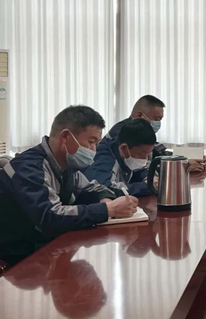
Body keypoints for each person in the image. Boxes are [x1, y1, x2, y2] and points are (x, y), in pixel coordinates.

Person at [0, 105, 138, 265]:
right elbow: (50, 217)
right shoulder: (29, 167)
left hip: (47, 249)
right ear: (65, 137)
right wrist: (107, 210)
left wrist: (105, 199)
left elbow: (94, 188)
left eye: (97, 143)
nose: (94, 150)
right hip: (17, 261)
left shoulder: (67, 166)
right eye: (91, 142)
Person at [85, 95, 206, 187]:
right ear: (140, 115)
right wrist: (180, 166)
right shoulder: (123, 133)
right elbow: (139, 163)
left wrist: (185, 159)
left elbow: (156, 154)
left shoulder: (141, 132)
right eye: (156, 119)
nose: (158, 123)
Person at [88, 119, 156, 197]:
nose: (145, 159)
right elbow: (105, 190)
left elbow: (140, 169)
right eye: (142, 154)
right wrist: (147, 186)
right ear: (124, 148)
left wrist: (148, 177)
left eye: (148, 153)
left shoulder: (131, 151)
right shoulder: (104, 159)